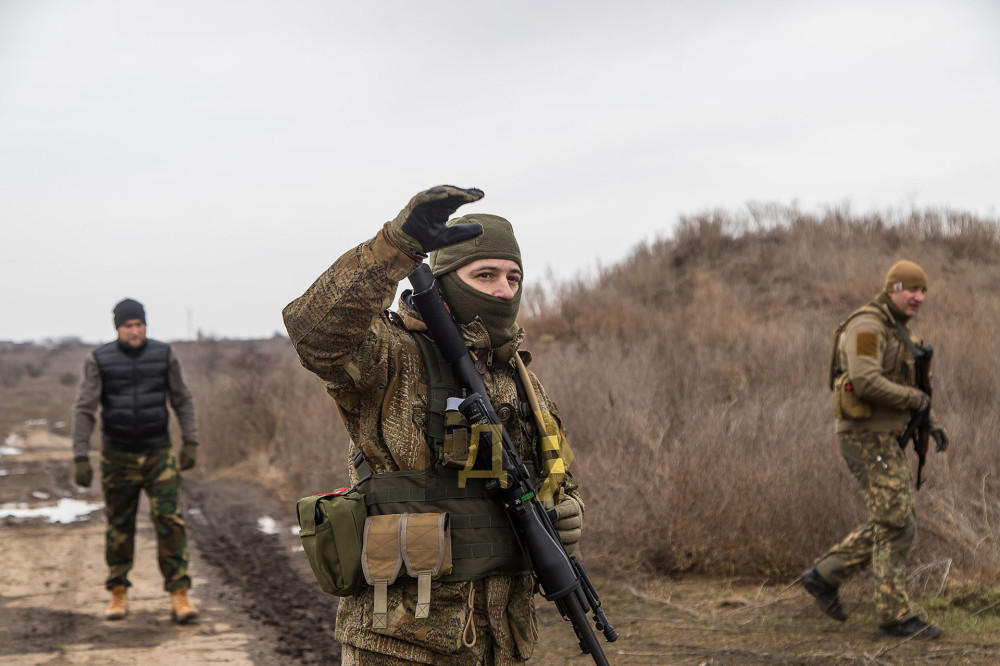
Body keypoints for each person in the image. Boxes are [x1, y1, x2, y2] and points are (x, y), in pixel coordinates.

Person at [283, 185, 584, 665]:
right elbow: (314, 334)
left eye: (513, 277)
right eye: (485, 274)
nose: (504, 290)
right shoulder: (395, 357)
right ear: (443, 280)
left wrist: (566, 508)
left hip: (502, 644)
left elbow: (553, 476)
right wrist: (395, 248)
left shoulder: (522, 381)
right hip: (402, 644)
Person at [802, 260, 949, 639]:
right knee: (898, 522)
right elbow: (866, 381)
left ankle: (824, 576)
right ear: (893, 288)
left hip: (883, 436)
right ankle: (894, 616)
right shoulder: (867, 326)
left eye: (923, 291)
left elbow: (910, 389)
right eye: (912, 289)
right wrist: (915, 400)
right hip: (865, 436)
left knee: (895, 519)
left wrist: (929, 422)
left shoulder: (898, 331)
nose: (919, 297)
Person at [71, 298, 201, 623]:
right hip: (117, 455)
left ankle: (179, 594)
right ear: (118, 328)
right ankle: (118, 591)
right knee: (119, 525)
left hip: (158, 452)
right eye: (128, 325)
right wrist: (80, 455)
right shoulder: (99, 359)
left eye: (139, 324)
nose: (135, 331)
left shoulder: (164, 354)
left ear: (146, 325)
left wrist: (190, 440)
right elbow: (85, 408)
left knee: (170, 521)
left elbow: (182, 399)